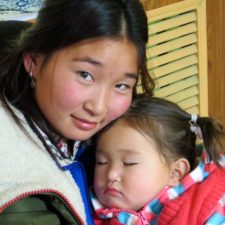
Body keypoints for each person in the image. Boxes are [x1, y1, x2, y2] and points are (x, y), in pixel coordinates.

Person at [0, 0, 155, 224]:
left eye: (121, 85)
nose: (99, 108)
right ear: (33, 60)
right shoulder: (19, 198)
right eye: (85, 75)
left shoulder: (87, 126)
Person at [90, 95, 225, 225]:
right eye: (102, 162)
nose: (111, 174)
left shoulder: (211, 207)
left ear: (175, 172)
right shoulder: (92, 210)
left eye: (129, 163)